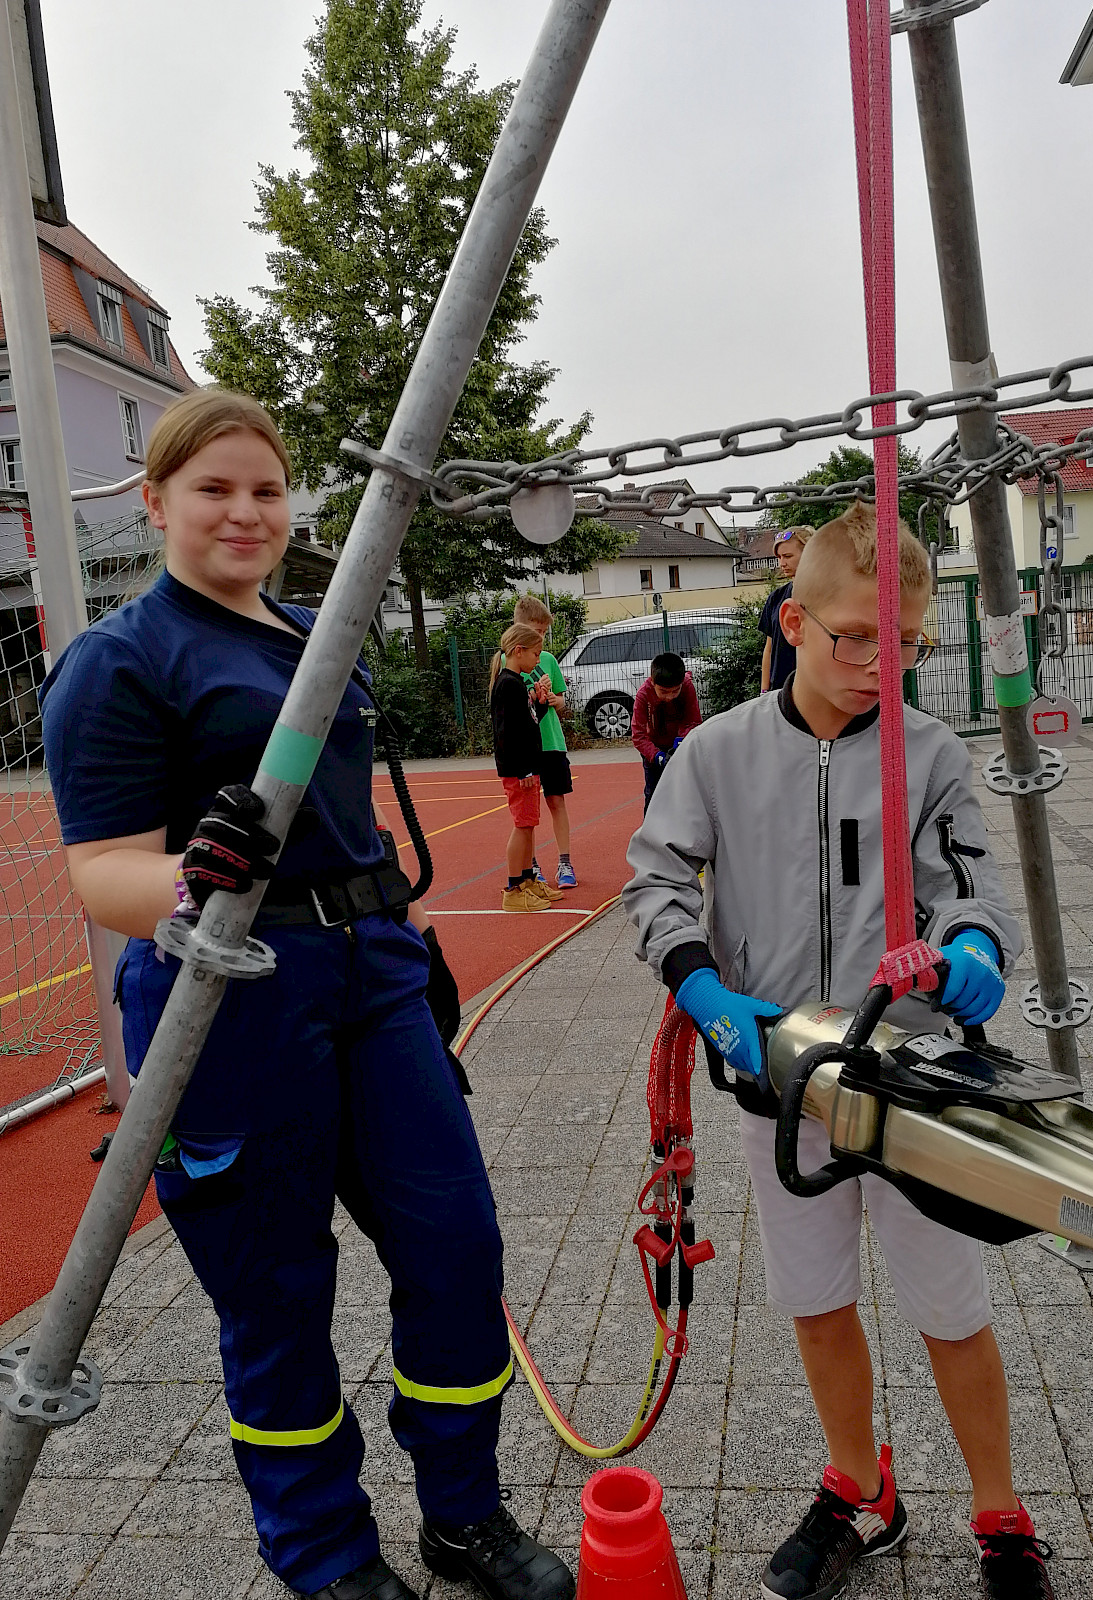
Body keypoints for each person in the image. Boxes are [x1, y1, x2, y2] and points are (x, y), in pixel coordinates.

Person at [39, 389, 573, 1600]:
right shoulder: (119, 662)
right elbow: (100, 870)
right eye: (214, 488)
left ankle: (462, 1511)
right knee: (277, 1291)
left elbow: (348, 818)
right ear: (156, 501)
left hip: (374, 977)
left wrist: (396, 934)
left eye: (265, 490)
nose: (243, 510)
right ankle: (323, 1549)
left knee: (453, 1244)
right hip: (228, 999)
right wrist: (189, 873)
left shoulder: (309, 631)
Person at [623, 503, 1056, 1600]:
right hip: (780, 1080)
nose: (880, 663)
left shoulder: (933, 756)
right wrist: (705, 987)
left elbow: (972, 886)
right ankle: (861, 1486)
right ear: (792, 619)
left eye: (904, 641)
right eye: (853, 636)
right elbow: (657, 881)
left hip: (912, 1085)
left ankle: (1001, 1513)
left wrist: (970, 949)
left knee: (952, 1308)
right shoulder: (716, 752)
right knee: (815, 1301)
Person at [490, 623, 561, 912]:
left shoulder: (517, 684)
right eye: (535, 653)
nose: (537, 660)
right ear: (518, 651)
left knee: (529, 825)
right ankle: (513, 888)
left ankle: (528, 880)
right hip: (520, 770)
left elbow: (530, 722)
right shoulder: (509, 684)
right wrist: (524, 771)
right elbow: (508, 733)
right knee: (522, 826)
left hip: (527, 766)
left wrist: (541, 702)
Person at [512, 595, 576, 888]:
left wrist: (552, 699)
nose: (542, 639)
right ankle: (532, 865)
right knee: (529, 810)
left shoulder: (547, 660)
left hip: (551, 741)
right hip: (527, 746)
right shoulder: (508, 661)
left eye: (544, 634)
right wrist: (533, 695)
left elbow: (561, 702)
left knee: (556, 800)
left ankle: (565, 862)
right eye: (537, 632)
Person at [631, 652, 702, 815]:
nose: (669, 696)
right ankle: (649, 836)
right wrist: (658, 756)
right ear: (653, 682)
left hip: (680, 747)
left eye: (675, 691)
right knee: (653, 795)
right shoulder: (643, 695)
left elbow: (693, 720)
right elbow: (638, 735)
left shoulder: (687, 686)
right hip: (654, 750)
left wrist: (682, 741)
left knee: (686, 793)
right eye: (663, 692)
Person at [758, 525, 812, 693]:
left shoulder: (826, 595)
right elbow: (769, 648)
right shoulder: (776, 597)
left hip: (814, 689)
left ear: (809, 553)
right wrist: (764, 692)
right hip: (780, 691)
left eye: (788, 556)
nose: (782, 563)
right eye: (779, 557)